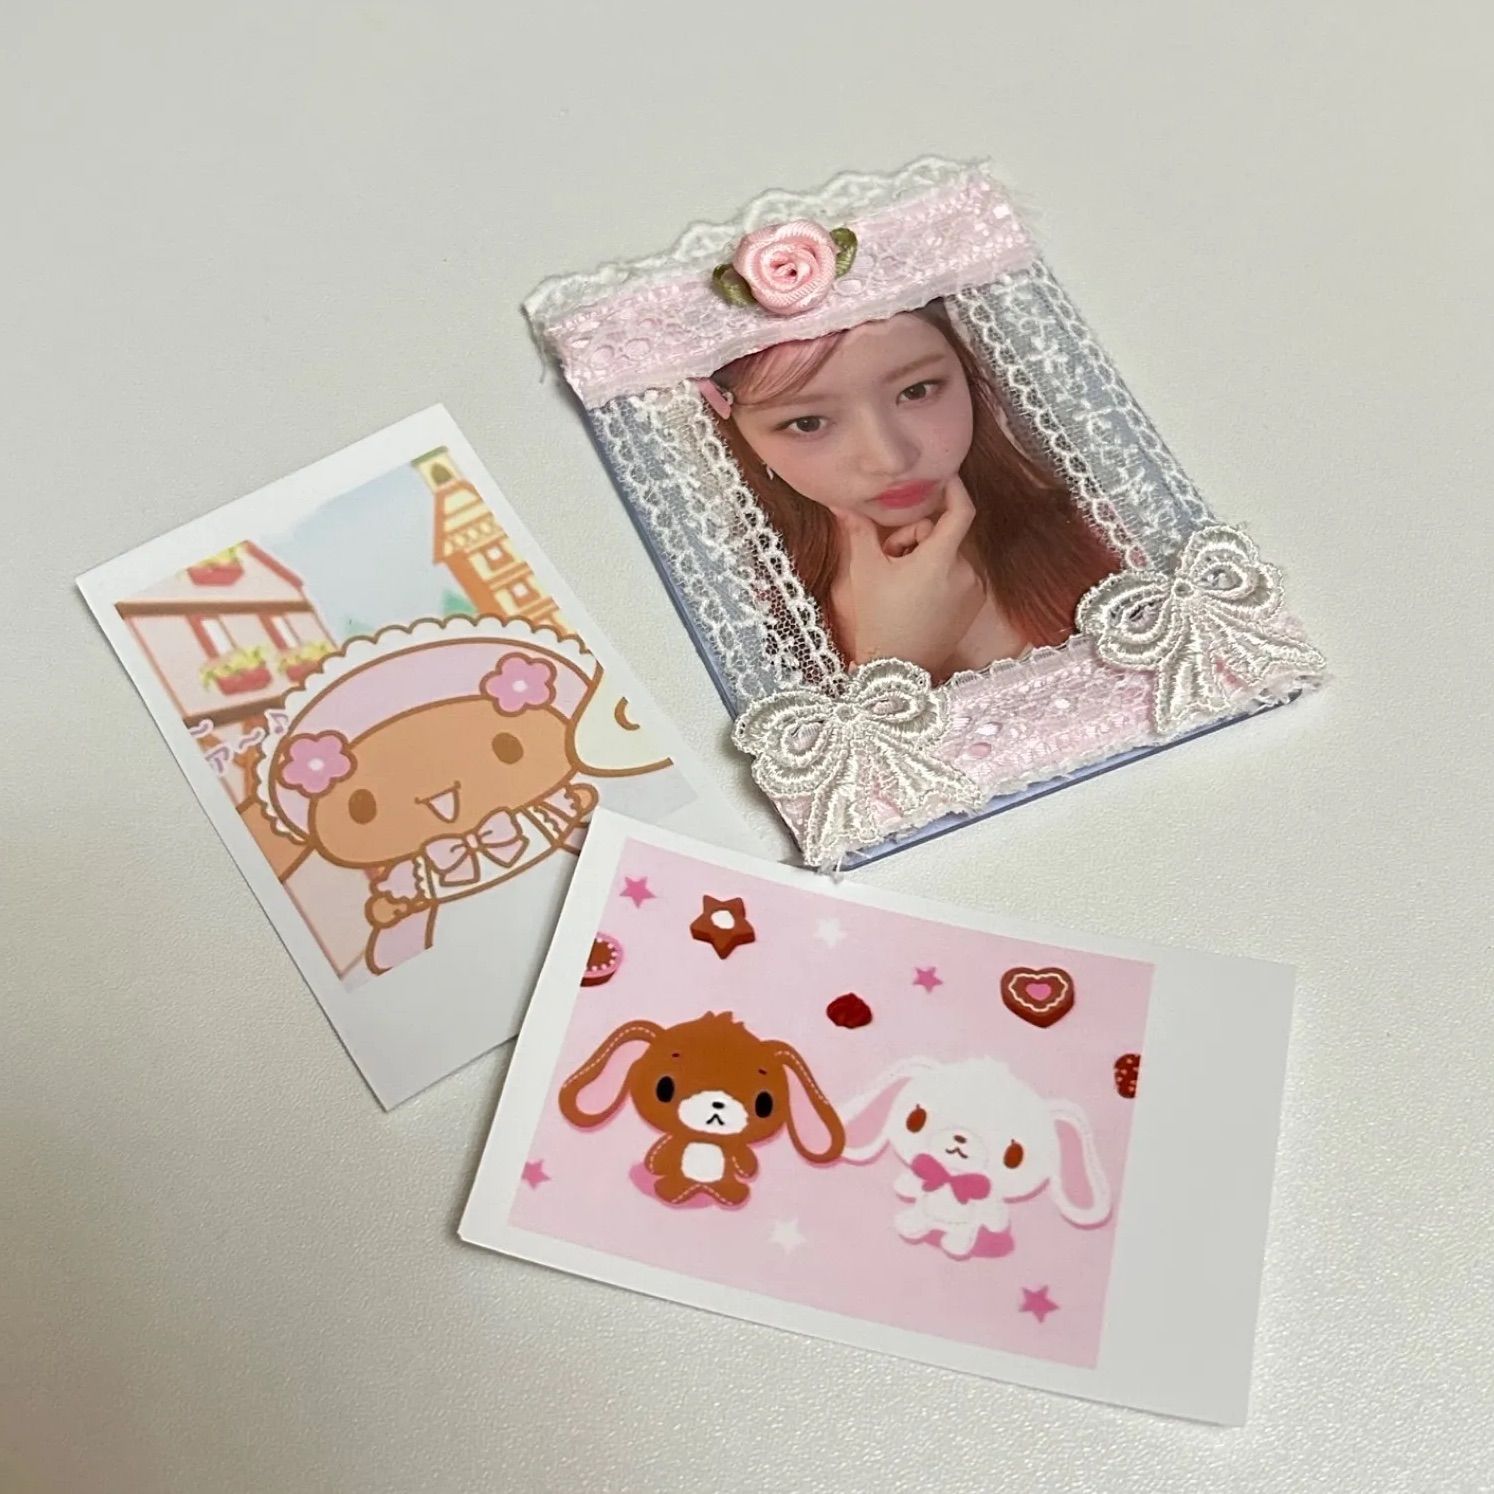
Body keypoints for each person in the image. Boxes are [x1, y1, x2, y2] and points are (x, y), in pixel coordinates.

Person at [704, 301, 1118, 680]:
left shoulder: (1106, 528)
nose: (890, 459)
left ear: (967, 374)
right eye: (808, 423)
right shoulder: (751, 633)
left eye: (916, 391)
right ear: (744, 442)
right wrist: (893, 665)